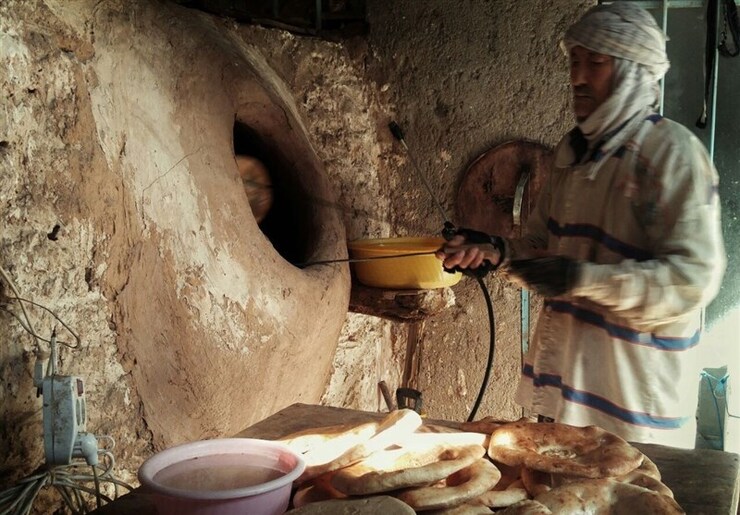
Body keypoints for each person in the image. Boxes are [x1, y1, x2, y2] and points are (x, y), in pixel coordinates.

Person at [437, 3, 726, 448]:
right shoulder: (572, 153)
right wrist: (494, 249)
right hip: (564, 382)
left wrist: (584, 279)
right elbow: (541, 244)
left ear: (633, 71)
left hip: (632, 401)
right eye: (575, 61)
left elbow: (693, 281)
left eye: (597, 62)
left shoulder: (671, 154)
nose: (578, 77)